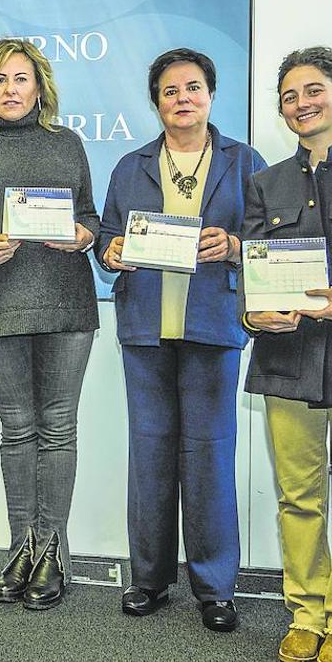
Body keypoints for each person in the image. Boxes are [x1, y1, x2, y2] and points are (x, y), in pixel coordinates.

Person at [99, 48, 266, 632]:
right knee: (149, 456)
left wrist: (237, 248)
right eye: (170, 91)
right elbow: (108, 236)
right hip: (146, 329)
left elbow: (266, 242)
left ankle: (216, 587)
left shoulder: (245, 162)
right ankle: (148, 578)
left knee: (210, 456)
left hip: (212, 329)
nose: (182, 99)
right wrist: (110, 252)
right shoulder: (130, 166)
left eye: (192, 88)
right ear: (156, 102)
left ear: (211, 95)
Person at [0, 38, 99, 611]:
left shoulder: (69, 144)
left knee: (58, 426)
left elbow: (90, 219)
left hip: (66, 304)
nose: (10, 90)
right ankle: (21, 547)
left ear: (40, 87)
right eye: (0, 80)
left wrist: (83, 236)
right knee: (17, 429)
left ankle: (52, 550)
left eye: (21, 79)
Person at [243, 47, 332, 662]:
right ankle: (306, 613)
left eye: (314, 90)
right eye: (290, 96)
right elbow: (253, 275)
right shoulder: (266, 183)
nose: (302, 104)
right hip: (286, 360)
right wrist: (252, 315)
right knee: (298, 498)